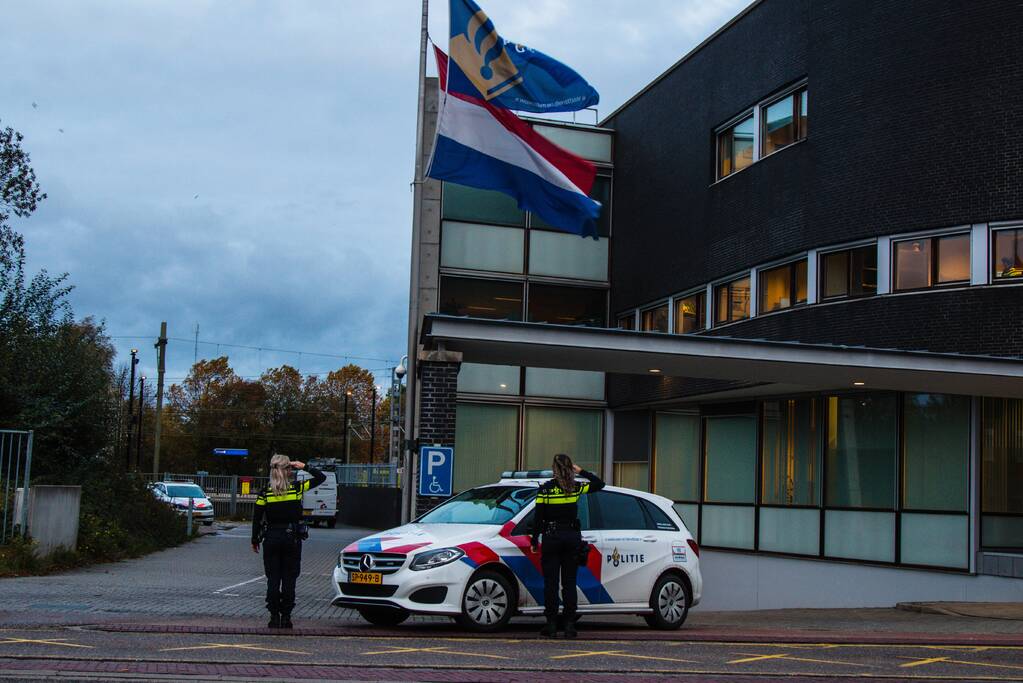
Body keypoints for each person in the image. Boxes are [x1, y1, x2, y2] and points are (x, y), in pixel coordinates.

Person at [530, 453, 604, 638]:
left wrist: (534, 540)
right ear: (570, 468)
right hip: (571, 537)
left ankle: (552, 625)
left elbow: (538, 518)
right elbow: (599, 484)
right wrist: (581, 471)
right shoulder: (575, 487)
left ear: (554, 469)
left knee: (551, 584)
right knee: (569, 584)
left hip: (551, 538)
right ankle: (570, 625)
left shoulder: (545, 490)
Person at [251, 455, 325, 628]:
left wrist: (254, 539)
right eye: (290, 467)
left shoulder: (265, 492)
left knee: (273, 579)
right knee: (289, 579)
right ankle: (286, 617)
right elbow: (321, 478)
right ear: (288, 470)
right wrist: (303, 466)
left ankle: (273, 616)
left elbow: (256, 517)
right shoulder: (296, 488)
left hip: (271, 538)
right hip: (291, 538)